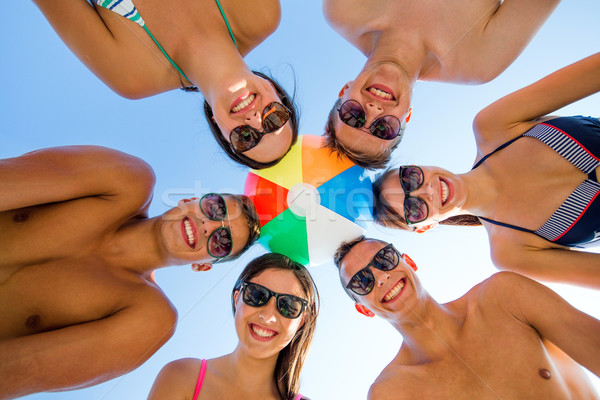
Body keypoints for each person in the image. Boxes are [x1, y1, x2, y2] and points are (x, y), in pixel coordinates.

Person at [0, 145, 261, 398]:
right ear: (190, 199)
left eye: (222, 242)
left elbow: (22, 370)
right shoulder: (125, 180)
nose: (208, 226)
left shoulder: (147, 318)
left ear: (202, 265)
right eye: (215, 208)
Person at [372, 53, 600, 289]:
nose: (425, 190)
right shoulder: (511, 253)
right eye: (414, 208)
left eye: (409, 179)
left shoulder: (493, 125)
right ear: (425, 226)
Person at [32, 0, 299, 169]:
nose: (254, 120)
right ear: (277, 93)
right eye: (274, 119)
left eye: (246, 138)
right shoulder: (260, 12)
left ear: (220, 128)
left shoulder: (132, 77)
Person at [335, 237, 600, 399]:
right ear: (364, 309)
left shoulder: (504, 297)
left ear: (409, 262)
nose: (381, 277)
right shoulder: (393, 392)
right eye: (362, 282)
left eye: (384, 259)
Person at [322, 0, 561, 169]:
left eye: (353, 116)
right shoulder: (478, 63)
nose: (373, 111)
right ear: (407, 117)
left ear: (344, 90)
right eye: (384, 129)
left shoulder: (344, 9)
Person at [147, 253, 319, 400]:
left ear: (301, 321)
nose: (268, 317)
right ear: (237, 298)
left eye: (288, 306)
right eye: (257, 294)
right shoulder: (181, 376)